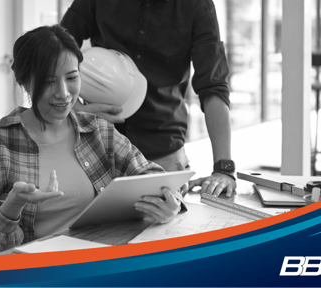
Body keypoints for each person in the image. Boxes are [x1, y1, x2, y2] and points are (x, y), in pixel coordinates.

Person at [0, 25, 186, 257]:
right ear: (24, 82)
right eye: (49, 81)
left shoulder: (97, 130)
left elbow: (151, 176)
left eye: (72, 77)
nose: (63, 93)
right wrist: (11, 206)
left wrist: (169, 203)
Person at [61, 0, 236, 198]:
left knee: (169, 227)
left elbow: (213, 87)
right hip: (99, 151)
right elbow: (54, 53)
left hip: (163, 156)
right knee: (93, 229)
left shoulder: (197, 5)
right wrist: (75, 108)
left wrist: (223, 169)